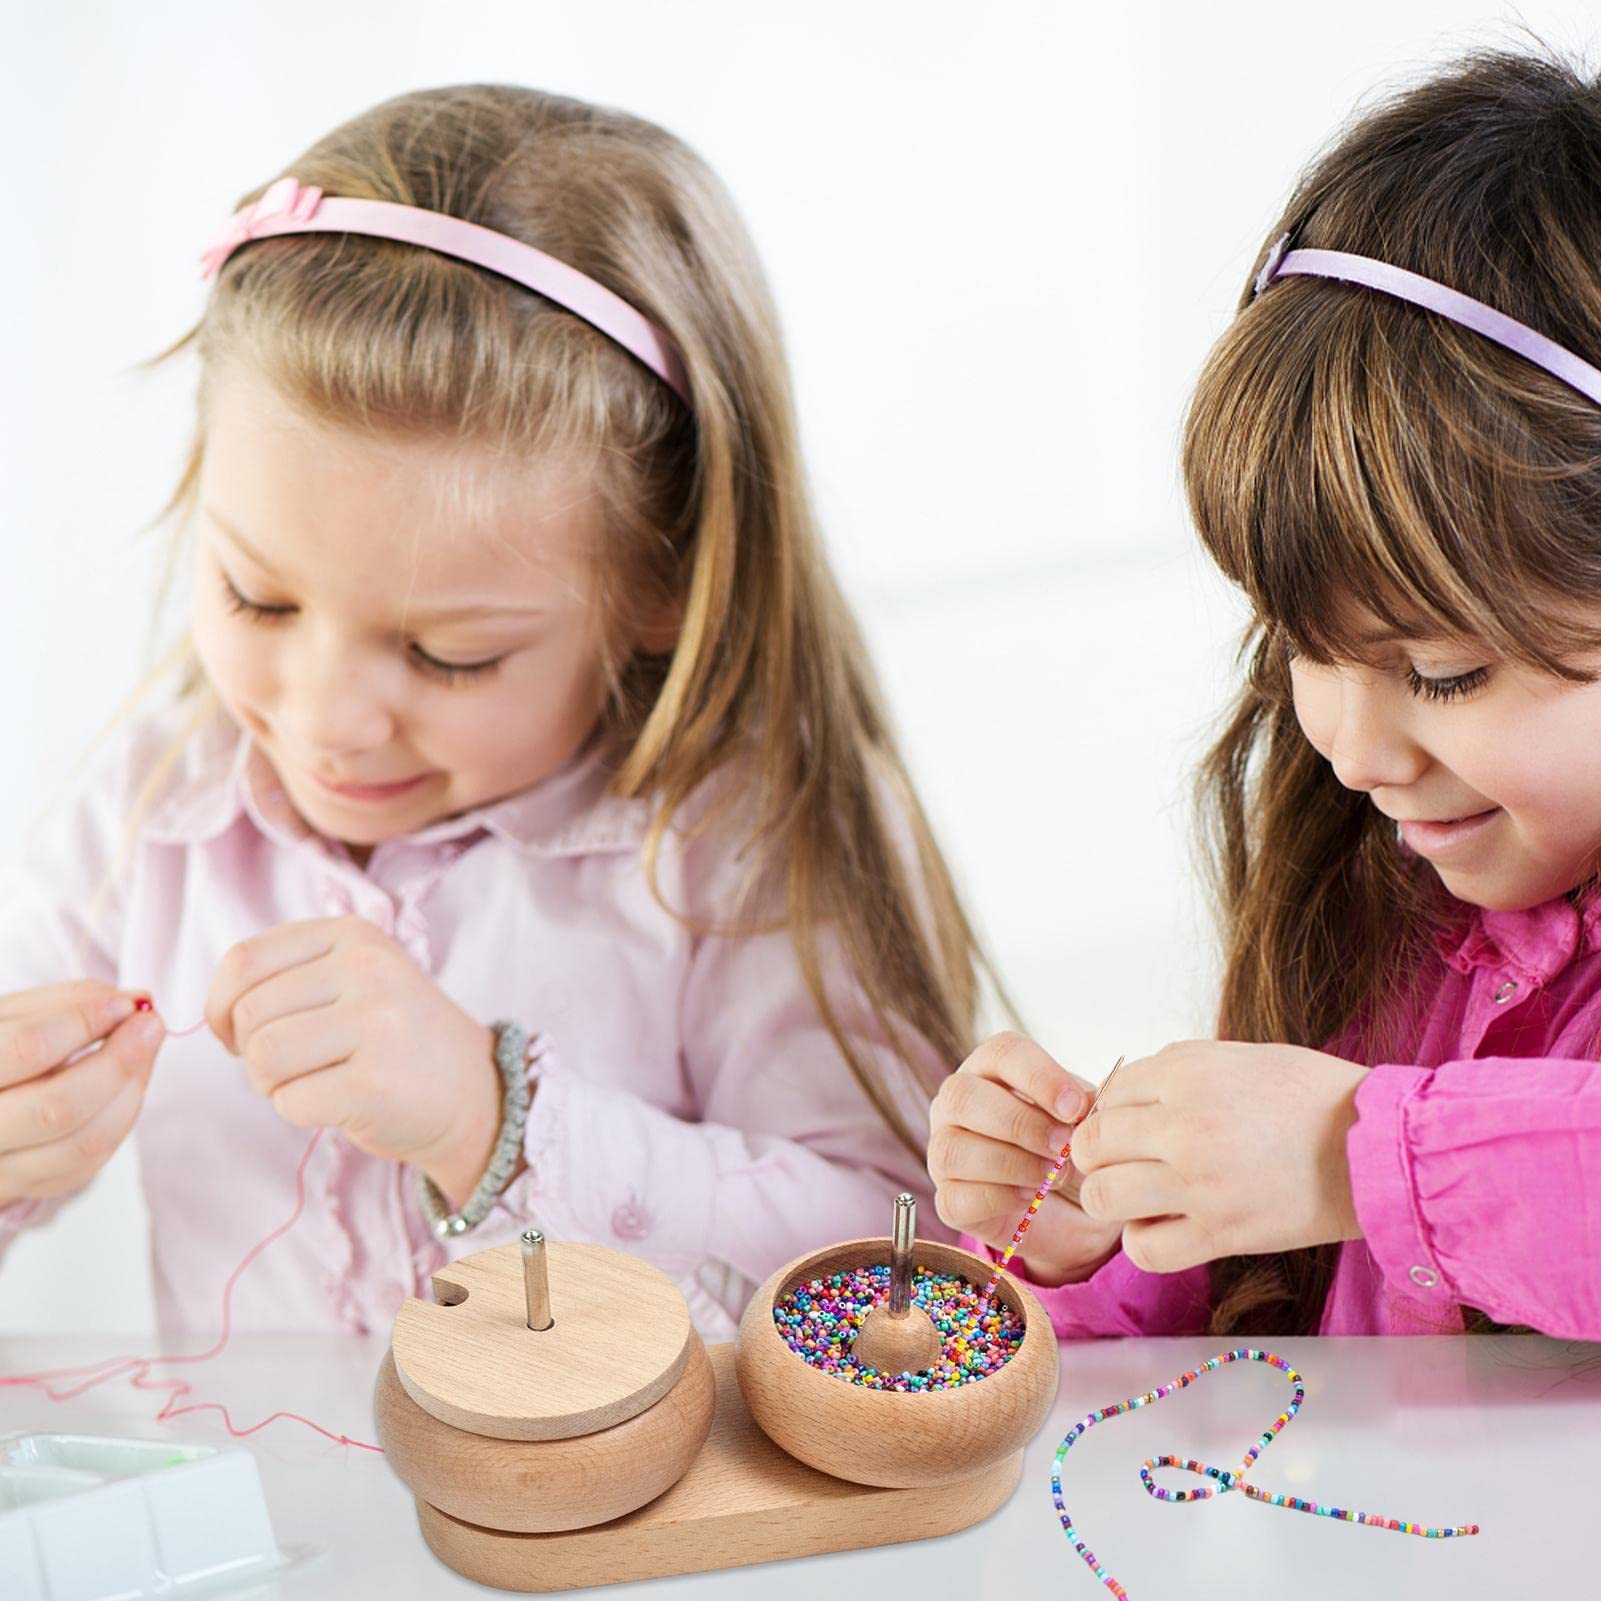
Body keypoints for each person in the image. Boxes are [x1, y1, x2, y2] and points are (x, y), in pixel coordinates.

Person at [0, 84, 991, 1341]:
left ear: (665, 584)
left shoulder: (740, 843)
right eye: (256, 596)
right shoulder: (148, 807)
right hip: (254, 1532)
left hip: (650, 1542)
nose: (328, 719)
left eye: (448, 654)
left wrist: (491, 1117)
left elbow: (895, 1282)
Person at [932, 45, 1601, 1341]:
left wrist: (1356, 1156)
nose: (1349, 746)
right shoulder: (1381, 906)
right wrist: (1106, 1230)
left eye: (1441, 672)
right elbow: (1269, 1332)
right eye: (1300, 645)